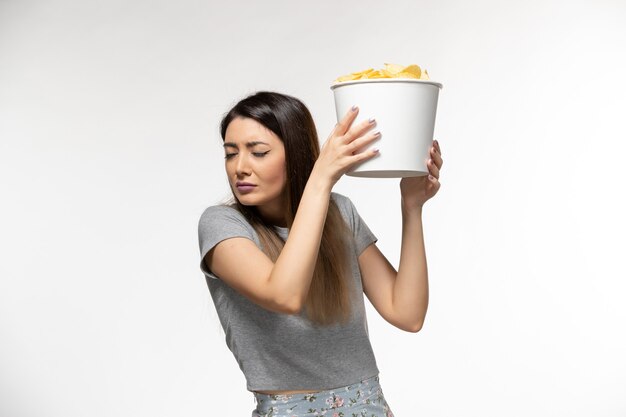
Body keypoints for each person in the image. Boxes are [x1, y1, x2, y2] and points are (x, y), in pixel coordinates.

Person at [197, 91, 443, 417]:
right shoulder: (222, 225)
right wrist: (321, 179)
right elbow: (284, 294)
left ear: (296, 156)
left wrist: (412, 209)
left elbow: (407, 314)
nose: (240, 168)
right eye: (230, 154)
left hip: (369, 406)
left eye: (258, 152)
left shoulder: (339, 212)